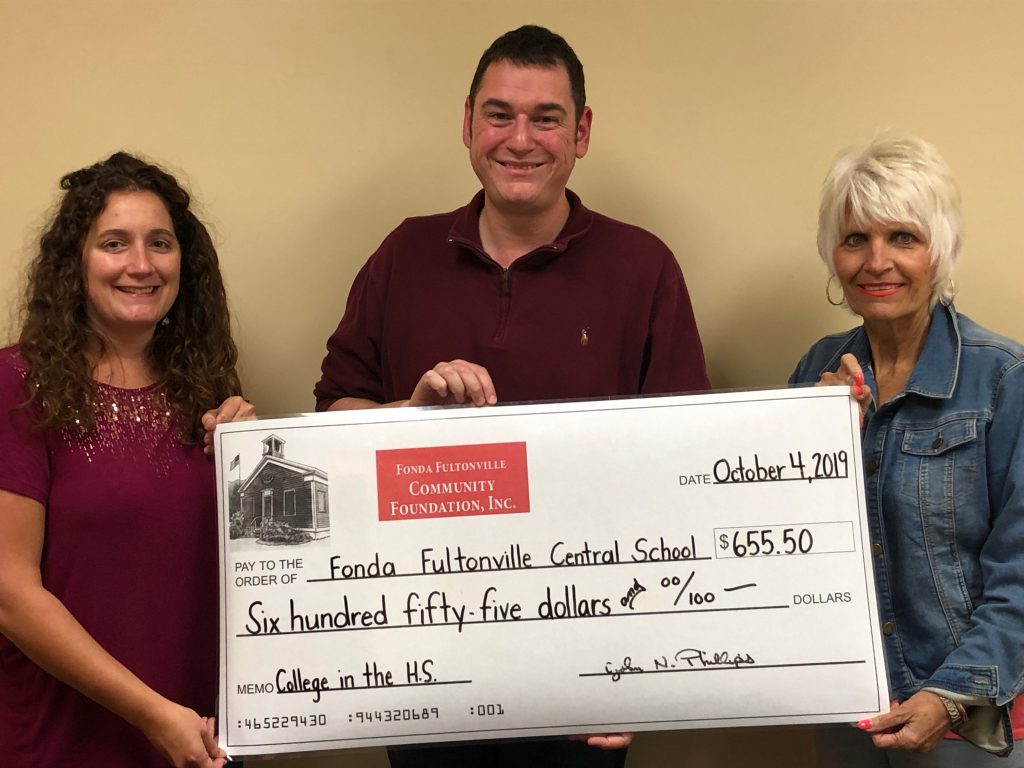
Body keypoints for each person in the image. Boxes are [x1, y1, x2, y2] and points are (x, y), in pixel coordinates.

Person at [315, 24, 709, 768]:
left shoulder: (643, 266)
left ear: (582, 132)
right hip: (426, 654)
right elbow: (332, 419)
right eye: (499, 114)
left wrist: (647, 670)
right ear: (467, 123)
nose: (519, 138)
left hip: (587, 663)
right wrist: (409, 417)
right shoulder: (403, 254)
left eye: (546, 118)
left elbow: (681, 476)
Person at [0, 152, 255, 767]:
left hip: (201, 735)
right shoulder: (17, 383)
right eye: (115, 243)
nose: (140, 265)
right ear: (76, 262)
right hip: (69, 739)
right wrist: (151, 714)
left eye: (159, 243)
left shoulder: (206, 390)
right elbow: (9, 591)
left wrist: (247, 462)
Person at [790, 135, 1024, 766]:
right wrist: (817, 438)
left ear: (939, 252)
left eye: (903, 238)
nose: (877, 261)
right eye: (855, 239)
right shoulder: (817, 369)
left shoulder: (1003, 379)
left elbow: (1021, 570)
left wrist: (951, 695)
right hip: (851, 711)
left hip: (974, 717)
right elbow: (785, 549)